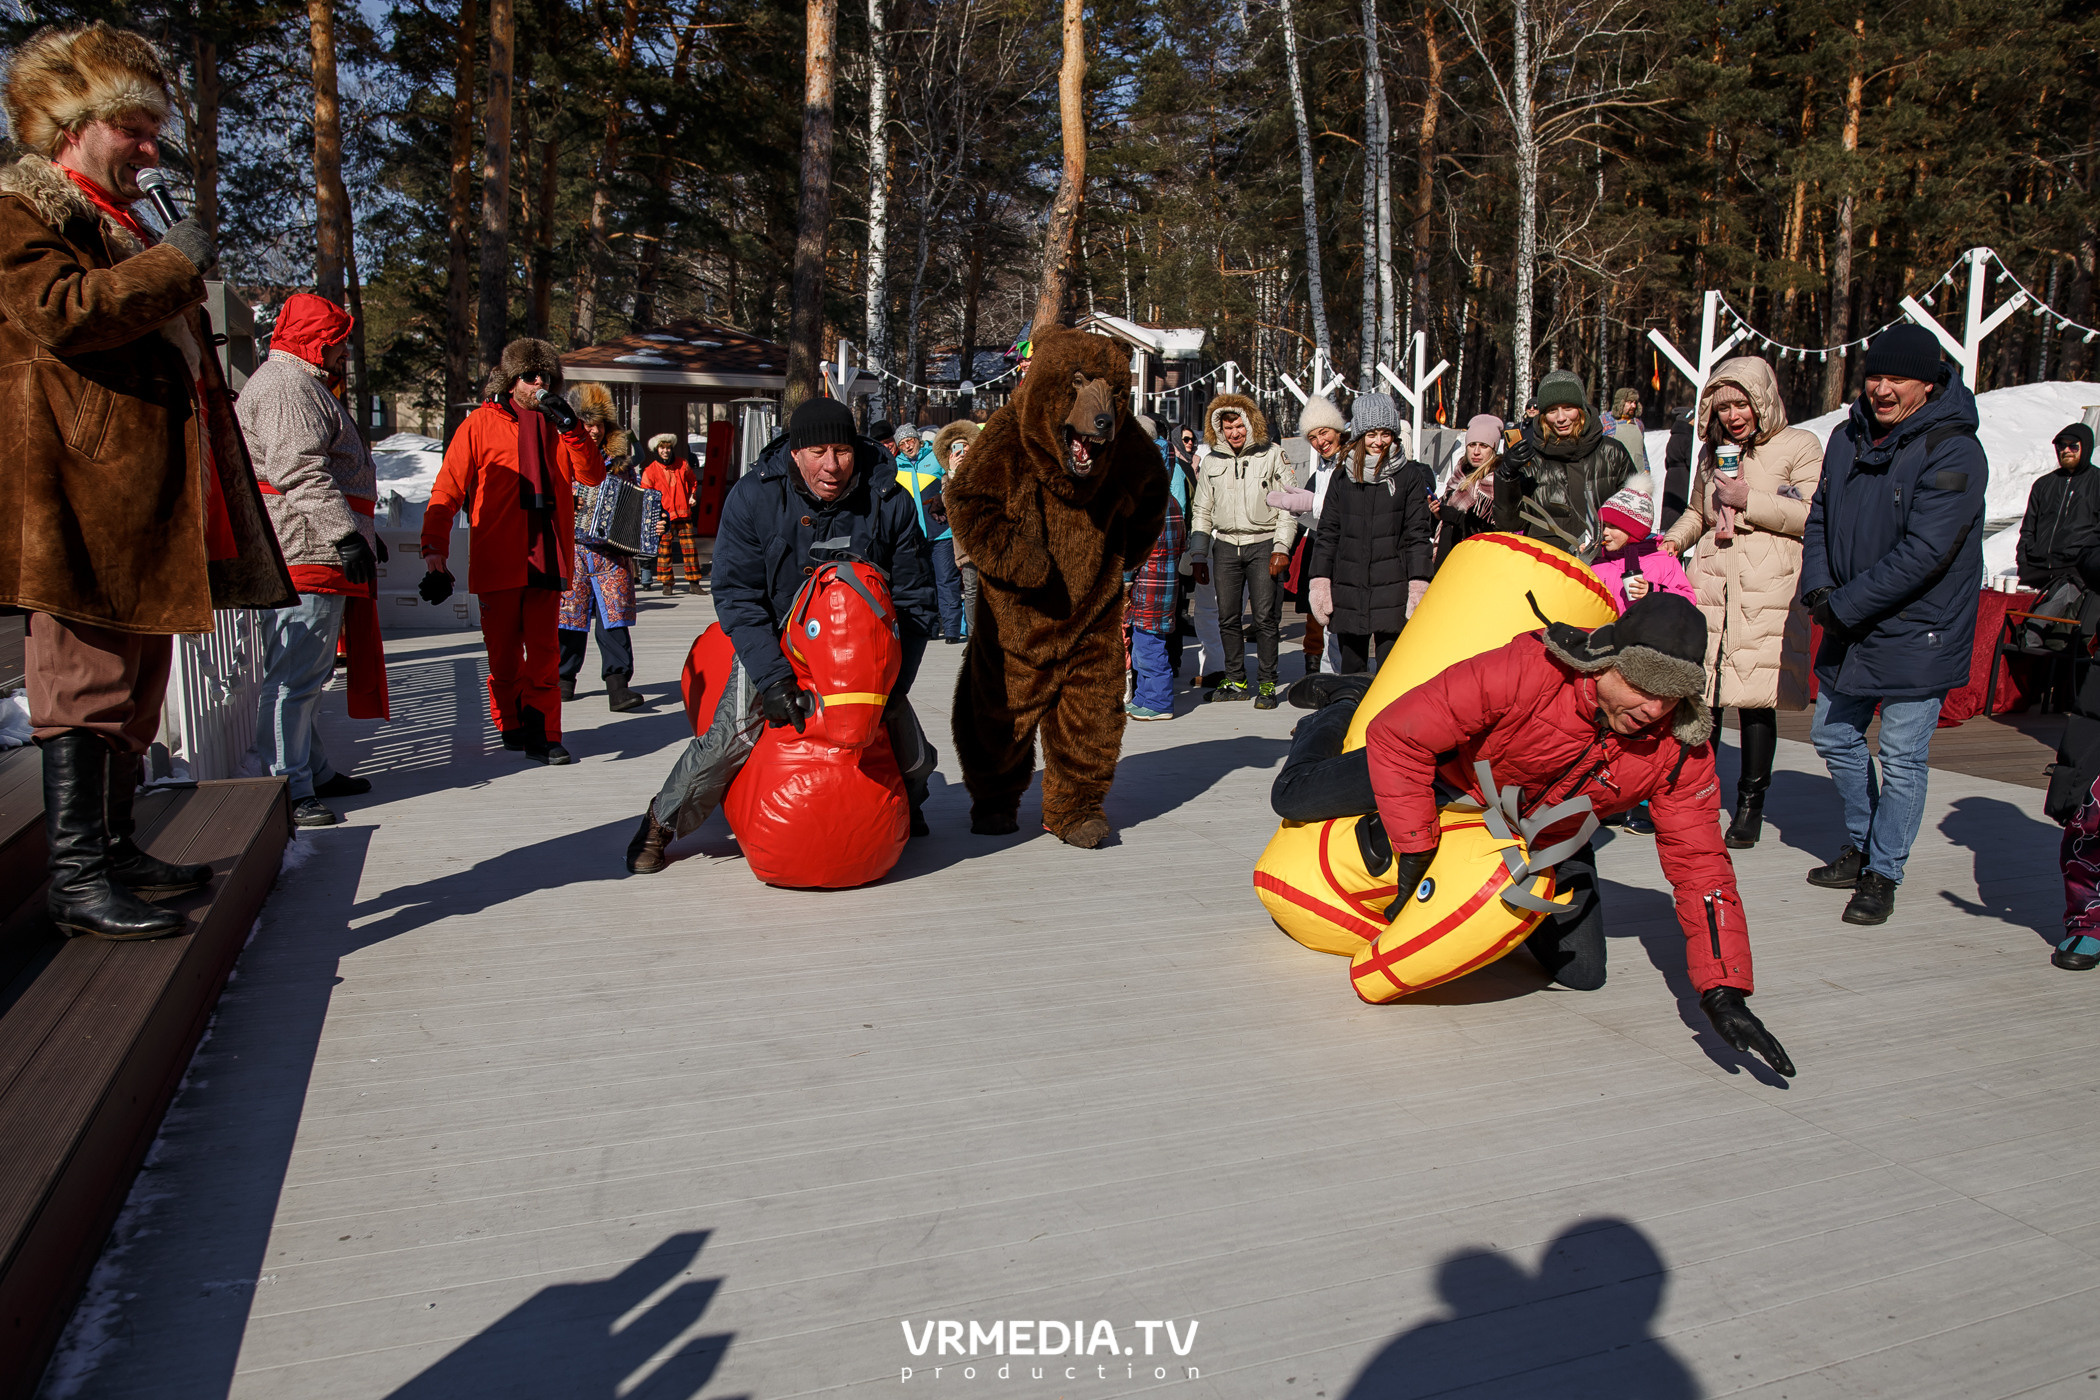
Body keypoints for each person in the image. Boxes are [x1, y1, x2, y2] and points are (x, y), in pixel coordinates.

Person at [0, 22, 294, 941]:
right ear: (69, 126)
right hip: (76, 494)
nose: (150, 147)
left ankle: (115, 846)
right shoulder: (23, 212)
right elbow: (60, 313)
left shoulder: (117, 223)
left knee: (135, 681)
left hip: (141, 492)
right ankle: (78, 876)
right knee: (81, 681)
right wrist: (174, 265)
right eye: (131, 127)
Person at [1273, 592, 1795, 1078]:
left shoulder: (1680, 745)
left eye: (1672, 696)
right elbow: (1401, 732)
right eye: (1643, 686)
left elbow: (1700, 863)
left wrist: (1723, 990)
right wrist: (1417, 847)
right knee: (1292, 796)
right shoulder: (1531, 669)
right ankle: (1341, 701)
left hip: (1548, 832)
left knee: (1583, 973)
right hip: (1445, 776)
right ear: (1607, 660)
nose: (1654, 710)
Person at [626, 398, 940, 873]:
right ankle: (660, 823)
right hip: (780, 641)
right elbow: (737, 596)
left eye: (842, 450)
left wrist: (895, 686)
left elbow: (916, 601)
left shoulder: (887, 499)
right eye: (818, 452)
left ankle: (911, 798)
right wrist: (772, 678)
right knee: (729, 735)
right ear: (796, 453)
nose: (831, 466)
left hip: (862, 652)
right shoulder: (755, 497)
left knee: (909, 746)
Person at [1798, 323, 1987, 926]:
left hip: (1920, 626)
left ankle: (1884, 871)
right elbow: (1821, 517)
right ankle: (1863, 841)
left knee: (1903, 754)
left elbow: (1928, 552)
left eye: (1897, 378)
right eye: (1875, 375)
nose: (1882, 389)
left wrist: (1845, 603)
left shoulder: (1954, 448)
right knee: (1832, 735)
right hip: (1851, 615)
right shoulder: (1846, 437)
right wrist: (1820, 587)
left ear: (1928, 385)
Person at [1658, 355, 1823, 850]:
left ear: (1763, 400)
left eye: (1742, 403)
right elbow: (1698, 512)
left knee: (1755, 702)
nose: (1733, 415)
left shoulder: (1800, 446)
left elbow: (1812, 514)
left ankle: (1751, 803)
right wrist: (1672, 541)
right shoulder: (1713, 453)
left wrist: (1750, 498)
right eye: (1724, 405)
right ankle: (1699, 795)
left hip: (1766, 584)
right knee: (1702, 696)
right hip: (1711, 580)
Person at [238, 292, 389, 829]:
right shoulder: (286, 389)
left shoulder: (297, 384)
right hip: (304, 547)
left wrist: (362, 534)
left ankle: (313, 768)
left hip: (315, 544)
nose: (343, 353)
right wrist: (346, 535)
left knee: (310, 669)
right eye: (338, 342)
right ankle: (289, 784)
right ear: (316, 342)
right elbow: (300, 471)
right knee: (296, 673)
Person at [419, 338, 606, 766]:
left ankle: (546, 734)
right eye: (529, 376)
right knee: (503, 656)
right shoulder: (479, 424)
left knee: (545, 653)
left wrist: (573, 430)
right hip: (498, 557)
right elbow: (447, 489)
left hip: (547, 554)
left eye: (545, 376)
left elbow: (593, 475)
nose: (537, 383)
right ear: (511, 380)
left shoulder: (561, 425)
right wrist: (434, 550)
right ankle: (510, 723)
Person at [1307, 392, 1433, 676]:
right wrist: (1320, 582)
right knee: (1352, 672)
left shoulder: (1410, 476)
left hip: (1393, 588)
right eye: (1372, 434)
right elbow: (1328, 533)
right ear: (1360, 435)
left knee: (1393, 672)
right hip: (1349, 587)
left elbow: (1417, 535)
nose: (1379, 441)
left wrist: (1418, 584)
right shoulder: (1342, 476)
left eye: (1386, 434)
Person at [1187, 393, 1296, 707]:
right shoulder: (1211, 461)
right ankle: (1236, 680)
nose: (1234, 433)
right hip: (1225, 546)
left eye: (1239, 426)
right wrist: (1198, 553)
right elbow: (1202, 510)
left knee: (1264, 618)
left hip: (1264, 544)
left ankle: (1266, 683)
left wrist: (1281, 547)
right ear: (1218, 429)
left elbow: (1289, 506)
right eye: (1227, 427)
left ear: (1250, 424)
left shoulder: (1273, 455)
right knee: (1227, 617)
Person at [558, 385, 644, 712]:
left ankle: (618, 686)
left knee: (614, 619)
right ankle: (563, 680)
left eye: (599, 424)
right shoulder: (558, 457)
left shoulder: (621, 463)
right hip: (572, 550)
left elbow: (636, 504)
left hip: (611, 553)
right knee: (569, 619)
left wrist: (653, 522)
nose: (593, 430)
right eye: (585, 422)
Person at [1495, 369, 1638, 562]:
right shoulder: (1532, 460)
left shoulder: (1613, 453)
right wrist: (1507, 476)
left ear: (1581, 408)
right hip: (1546, 569)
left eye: (1568, 408)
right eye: (1552, 411)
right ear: (1543, 416)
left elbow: (1635, 515)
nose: (1561, 418)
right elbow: (1509, 522)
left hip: (1602, 567)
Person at [1268, 395, 1349, 676]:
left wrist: (1310, 505)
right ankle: (1322, 677)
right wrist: (1299, 514)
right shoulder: (1322, 469)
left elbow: (1346, 510)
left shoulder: (1351, 463)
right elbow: (1320, 519)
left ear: (1337, 430)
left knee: (1341, 622)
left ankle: (1339, 679)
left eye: (1324, 432)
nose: (1319, 441)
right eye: (1312, 437)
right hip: (1325, 550)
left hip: (1348, 553)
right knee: (1321, 617)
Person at [2014, 422, 2100, 648]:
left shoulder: (2097, 483)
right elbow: (2028, 527)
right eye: (2061, 445)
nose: (2066, 450)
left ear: (2086, 448)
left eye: (2073, 446)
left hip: (2074, 572)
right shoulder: (2044, 484)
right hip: (2036, 569)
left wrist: (2084, 560)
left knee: (2047, 629)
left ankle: (2030, 644)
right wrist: (2023, 561)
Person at [1126, 478, 1187, 721]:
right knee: (1146, 642)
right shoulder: (1171, 502)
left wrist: (1124, 579)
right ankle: (1144, 696)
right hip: (1167, 581)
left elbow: (1133, 549)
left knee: (1148, 646)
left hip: (1147, 584)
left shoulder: (1143, 505)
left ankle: (1159, 702)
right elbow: (1182, 542)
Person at [1170, 422, 1226, 687]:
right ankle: (1214, 668)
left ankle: (1230, 670)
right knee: (1205, 611)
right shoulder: (1207, 465)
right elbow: (1198, 511)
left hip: (1240, 544)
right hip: (1206, 545)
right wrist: (1197, 551)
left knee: (1228, 611)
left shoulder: (1264, 458)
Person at [897, 417, 963, 641]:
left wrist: (941, 496)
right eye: (903, 443)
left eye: (910, 440)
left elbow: (952, 478)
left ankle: (952, 630)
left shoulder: (935, 458)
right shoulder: (896, 467)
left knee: (947, 581)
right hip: (914, 536)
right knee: (924, 584)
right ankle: (932, 628)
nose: (907, 445)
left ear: (918, 440)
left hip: (941, 532)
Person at [1594, 477, 1695, 613]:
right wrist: (1584, 560)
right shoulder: (1600, 561)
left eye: (1613, 526)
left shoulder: (1663, 562)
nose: (1605, 532)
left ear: (1632, 529)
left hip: (1647, 632)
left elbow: (1688, 600)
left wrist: (1653, 590)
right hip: (1608, 632)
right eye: (1604, 526)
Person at [1433, 414, 1504, 570]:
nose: (1476, 451)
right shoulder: (1459, 474)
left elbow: (1492, 530)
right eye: (1472, 445)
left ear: (1493, 449)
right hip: (1446, 557)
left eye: (1483, 446)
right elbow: (1442, 523)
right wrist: (1436, 512)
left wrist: (1455, 516)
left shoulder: (1497, 480)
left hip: (1474, 564)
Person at [931, 421, 978, 641]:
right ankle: (974, 639)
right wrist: (952, 474)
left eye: (965, 448)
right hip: (966, 544)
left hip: (988, 539)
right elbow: (950, 504)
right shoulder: (947, 479)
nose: (962, 453)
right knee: (972, 589)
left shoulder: (982, 471)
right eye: (956, 450)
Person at [641, 434, 700, 596]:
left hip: (683, 512)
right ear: (657, 450)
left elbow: (692, 481)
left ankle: (694, 582)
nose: (666, 451)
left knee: (690, 550)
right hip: (664, 516)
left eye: (668, 448)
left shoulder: (683, 464)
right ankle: (667, 584)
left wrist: (692, 495)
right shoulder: (650, 470)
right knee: (664, 551)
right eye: (662, 448)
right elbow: (647, 494)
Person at [1604, 385, 1651, 477]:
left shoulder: (1638, 423)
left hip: (1637, 476)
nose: (1633, 406)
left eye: (1635, 402)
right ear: (1620, 403)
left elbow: (1642, 451)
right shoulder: (1605, 421)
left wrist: (1647, 471)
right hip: (1613, 476)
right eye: (1629, 402)